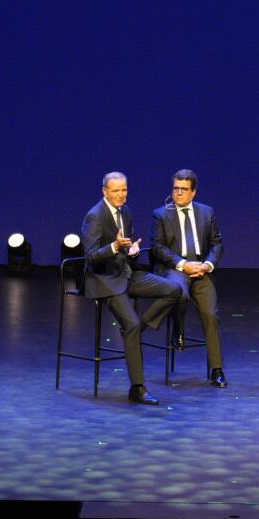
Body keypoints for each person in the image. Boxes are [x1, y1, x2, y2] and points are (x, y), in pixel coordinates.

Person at [81, 171, 182, 404]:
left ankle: (137, 330)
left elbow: (126, 246)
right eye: (116, 190)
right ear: (105, 191)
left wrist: (131, 250)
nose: (121, 195)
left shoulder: (125, 211)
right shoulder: (95, 216)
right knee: (131, 324)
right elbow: (91, 257)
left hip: (126, 273)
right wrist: (115, 247)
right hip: (105, 279)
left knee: (174, 290)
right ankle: (137, 388)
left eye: (124, 190)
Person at [151, 168, 227, 387]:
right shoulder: (161, 214)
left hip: (201, 270)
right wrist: (184, 264)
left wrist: (207, 265)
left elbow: (217, 244)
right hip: (176, 269)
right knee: (179, 294)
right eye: (176, 188)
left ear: (193, 192)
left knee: (210, 314)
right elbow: (158, 248)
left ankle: (217, 369)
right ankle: (178, 329)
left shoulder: (207, 212)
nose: (178, 193)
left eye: (184, 189)